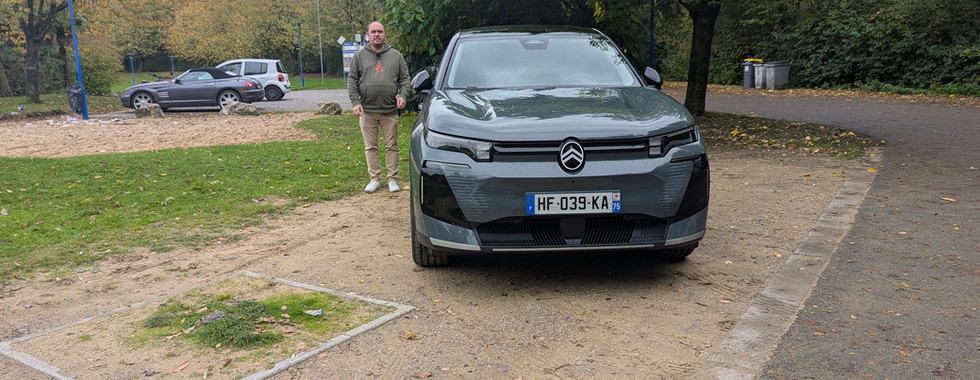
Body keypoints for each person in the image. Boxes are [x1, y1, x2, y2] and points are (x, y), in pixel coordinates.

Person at [348, 21, 411, 193]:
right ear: (368, 34)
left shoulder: (396, 56)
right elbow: (352, 80)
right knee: (371, 146)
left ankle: (392, 179)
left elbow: (405, 79)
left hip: (389, 110)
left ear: (385, 34)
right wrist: (355, 102)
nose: (377, 34)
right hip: (367, 110)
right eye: (373, 31)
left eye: (380, 31)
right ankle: (374, 178)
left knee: (392, 145)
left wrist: (403, 96)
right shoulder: (359, 56)